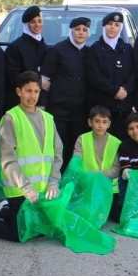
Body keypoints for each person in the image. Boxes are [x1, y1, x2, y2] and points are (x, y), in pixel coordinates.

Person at [0, 71, 63, 241]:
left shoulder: (48, 118)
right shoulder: (11, 118)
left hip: (42, 191)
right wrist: (26, 187)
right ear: (18, 91)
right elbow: (8, 159)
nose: (32, 96)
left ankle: (4, 211)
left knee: (41, 229)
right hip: (19, 190)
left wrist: (53, 183)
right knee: (19, 233)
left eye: (36, 91)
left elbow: (57, 154)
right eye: (28, 91)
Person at [41, 17, 90, 171]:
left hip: (81, 112)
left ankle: (73, 181)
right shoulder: (57, 50)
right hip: (59, 111)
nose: (81, 33)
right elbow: (45, 80)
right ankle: (57, 180)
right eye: (77, 29)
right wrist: (43, 105)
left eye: (84, 30)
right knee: (59, 149)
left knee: (76, 151)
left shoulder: (89, 53)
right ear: (71, 31)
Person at [85, 12, 135, 141]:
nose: (113, 27)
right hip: (103, 110)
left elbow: (134, 73)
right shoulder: (94, 50)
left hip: (123, 108)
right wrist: (115, 90)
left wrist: (125, 89)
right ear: (104, 26)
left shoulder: (127, 49)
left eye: (117, 25)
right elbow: (94, 76)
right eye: (110, 24)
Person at [70, 105, 123, 222]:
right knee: (84, 216)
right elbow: (76, 161)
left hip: (109, 189)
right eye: (97, 121)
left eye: (104, 122)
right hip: (87, 186)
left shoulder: (116, 143)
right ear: (90, 122)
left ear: (109, 124)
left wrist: (98, 174)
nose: (100, 125)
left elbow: (117, 169)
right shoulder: (82, 139)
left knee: (117, 217)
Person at [4, 5, 48, 111]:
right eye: (33, 22)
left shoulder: (46, 48)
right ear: (26, 24)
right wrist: (38, 80)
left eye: (40, 21)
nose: (37, 25)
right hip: (20, 103)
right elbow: (11, 75)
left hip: (42, 103)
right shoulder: (15, 47)